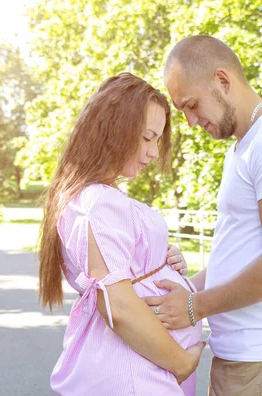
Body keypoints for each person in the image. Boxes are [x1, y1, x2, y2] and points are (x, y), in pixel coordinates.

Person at [145, 35, 262, 395]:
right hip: (245, 362)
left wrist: (195, 306)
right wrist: (185, 288)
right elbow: (239, 254)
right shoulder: (245, 146)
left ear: (222, 81)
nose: (191, 122)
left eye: (192, 105)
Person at [38, 72, 204, 395]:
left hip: (141, 369)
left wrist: (161, 260)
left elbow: (126, 276)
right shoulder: (98, 202)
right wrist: (182, 363)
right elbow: (119, 307)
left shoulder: (94, 197)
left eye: (157, 140)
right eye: (147, 137)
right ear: (114, 130)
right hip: (136, 375)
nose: (154, 152)